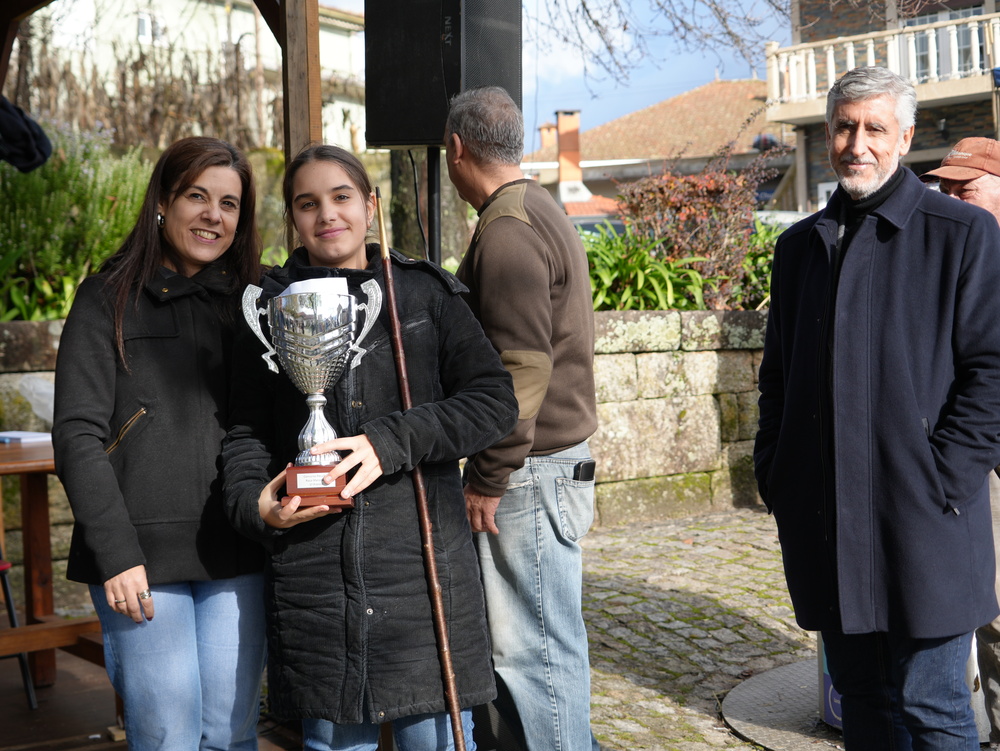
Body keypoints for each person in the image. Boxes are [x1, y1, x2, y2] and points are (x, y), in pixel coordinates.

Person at [221, 144, 518, 751]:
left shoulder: (425, 295)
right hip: (315, 585)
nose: (327, 214)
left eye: (341, 197)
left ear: (370, 205)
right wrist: (256, 505)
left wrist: (390, 442)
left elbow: (494, 400)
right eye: (308, 204)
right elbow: (244, 432)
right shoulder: (265, 306)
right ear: (293, 219)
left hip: (421, 579)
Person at [754, 66, 1000, 750]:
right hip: (828, 525)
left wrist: (942, 478)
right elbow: (778, 376)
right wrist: (777, 470)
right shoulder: (797, 248)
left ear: (905, 136)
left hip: (928, 524)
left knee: (933, 705)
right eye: (844, 126)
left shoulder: (962, 234)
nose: (857, 143)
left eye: (874, 127)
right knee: (863, 704)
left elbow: (992, 372)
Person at [52, 136, 267, 750]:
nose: (213, 215)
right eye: (196, 196)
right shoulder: (106, 298)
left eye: (229, 204)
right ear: (162, 203)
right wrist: (116, 552)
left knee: (230, 733)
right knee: (167, 736)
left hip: (236, 551)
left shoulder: (254, 303)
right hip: (139, 560)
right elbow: (76, 436)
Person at [444, 86, 600, 751]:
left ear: (455, 150)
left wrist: (489, 474)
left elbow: (522, 373)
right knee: (547, 650)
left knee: (533, 657)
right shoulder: (539, 205)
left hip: (529, 472)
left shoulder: (508, 230)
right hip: (546, 467)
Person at [921, 136, 1000, 749]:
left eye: (965, 187)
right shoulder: (944, 249)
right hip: (972, 458)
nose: (951, 197)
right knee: (989, 614)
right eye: (944, 187)